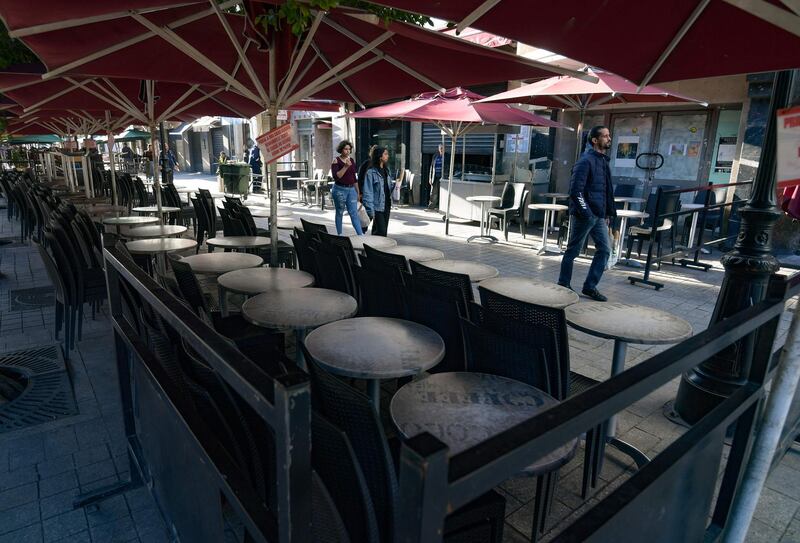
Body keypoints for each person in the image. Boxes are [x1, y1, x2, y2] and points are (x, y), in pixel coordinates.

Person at [557, 125, 616, 302]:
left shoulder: (602, 161)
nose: (609, 138)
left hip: (598, 216)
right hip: (585, 215)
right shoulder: (585, 161)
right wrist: (587, 213)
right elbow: (575, 191)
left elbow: (604, 190)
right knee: (573, 251)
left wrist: (605, 213)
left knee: (605, 250)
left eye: (609, 135)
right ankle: (563, 284)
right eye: (605, 136)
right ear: (595, 140)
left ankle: (590, 287)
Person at [330, 140, 363, 236]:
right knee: (339, 212)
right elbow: (337, 176)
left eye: (349, 149)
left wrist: (358, 192)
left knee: (354, 213)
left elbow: (354, 177)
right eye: (345, 149)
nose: (348, 151)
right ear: (341, 150)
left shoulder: (351, 161)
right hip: (339, 190)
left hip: (351, 189)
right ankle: (340, 234)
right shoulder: (336, 160)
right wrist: (345, 167)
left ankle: (360, 235)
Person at [362, 146, 391, 236]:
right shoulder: (371, 172)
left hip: (386, 204)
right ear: (379, 156)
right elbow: (367, 192)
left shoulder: (387, 170)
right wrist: (370, 210)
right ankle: (374, 248)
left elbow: (386, 188)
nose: (388, 156)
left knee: (382, 231)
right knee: (381, 231)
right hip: (377, 206)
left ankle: (375, 248)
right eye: (385, 154)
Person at [427, 144, 444, 210]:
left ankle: (440, 207)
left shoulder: (446, 156)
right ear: (438, 149)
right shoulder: (435, 156)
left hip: (442, 177)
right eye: (440, 148)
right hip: (435, 177)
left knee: (442, 193)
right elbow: (431, 167)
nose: (441, 149)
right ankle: (431, 207)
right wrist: (430, 178)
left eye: (442, 148)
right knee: (433, 192)